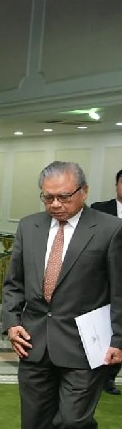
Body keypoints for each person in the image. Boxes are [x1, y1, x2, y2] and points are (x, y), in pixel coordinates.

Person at [1, 161, 122, 429]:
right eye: (48, 197)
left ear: (84, 192)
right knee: (36, 421)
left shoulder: (111, 230)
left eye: (64, 197)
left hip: (87, 345)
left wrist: (119, 339)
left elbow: (120, 290)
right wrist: (11, 322)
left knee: (73, 420)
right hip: (34, 340)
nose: (55, 204)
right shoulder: (29, 226)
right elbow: (13, 283)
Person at [88, 168, 122, 395]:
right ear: (116, 185)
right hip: (103, 277)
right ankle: (96, 371)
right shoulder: (99, 209)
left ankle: (110, 376)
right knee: (103, 324)